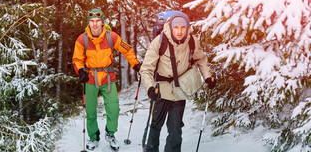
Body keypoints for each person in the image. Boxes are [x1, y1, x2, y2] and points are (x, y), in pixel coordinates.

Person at [139, 12, 216, 152]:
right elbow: (146, 69)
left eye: (183, 27)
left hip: (180, 90)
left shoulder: (192, 41)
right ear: (171, 28)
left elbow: (201, 59)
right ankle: (150, 149)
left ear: (187, 28)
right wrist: (150, 88)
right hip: (160, 91)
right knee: (155, 125)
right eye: (176, 27)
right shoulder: (159, 41)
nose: (180, 31)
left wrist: (207, 77)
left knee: (175, 129)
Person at [72, 8, 141, 151]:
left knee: (113, 108)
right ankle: (93, 136)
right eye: (92, 21)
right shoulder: (82, 39)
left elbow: (126, 49)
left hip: (108, 78)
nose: (95, 24)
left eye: (98, 21)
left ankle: (110, 134)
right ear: (88, 23)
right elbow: (77, 59)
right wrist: (80, 70)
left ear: (102, 22)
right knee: (90, 111)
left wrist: (135, 63)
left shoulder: (112, 37)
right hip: (90, 79)